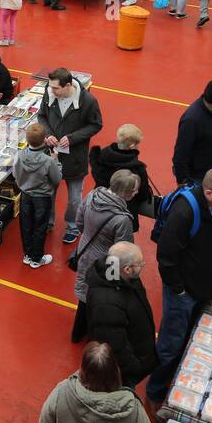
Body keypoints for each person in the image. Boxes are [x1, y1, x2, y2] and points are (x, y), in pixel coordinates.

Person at [145, 167, 212, 412]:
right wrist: (179, 290)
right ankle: (155, 390)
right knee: (171, 343)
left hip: (203, 284)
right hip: (184, 292)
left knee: (190, 334)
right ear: (209, 193)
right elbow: (166, 257)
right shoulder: (184, 213)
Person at [37, 67, 103, 244]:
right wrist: (48, 134)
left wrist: (72, 138)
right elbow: (42, 116)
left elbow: (96, 125)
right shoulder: (49, 93)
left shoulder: (87, 101)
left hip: (75, 157)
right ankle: (48, 222)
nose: (51, 90)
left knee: (74, 198)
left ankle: (72, 226)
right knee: (48, 193)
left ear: (67, 86)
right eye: (50, 87)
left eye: (56, 88)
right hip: (52, 155)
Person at [71, 169, 139, 343]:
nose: (136, 192)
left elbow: (79, 221)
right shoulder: (122, 219)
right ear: (126, 193)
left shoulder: (92, 196)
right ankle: (95, 338)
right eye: (134, 190)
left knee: (85, 292)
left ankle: (77, 332)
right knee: (104, 299)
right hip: (107, 264)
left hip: (85, 252)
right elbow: (122, 251)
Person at [85, 241, 157, 388]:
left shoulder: (126, 279)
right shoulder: (107, 305)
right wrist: (137, 368)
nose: (142, 265)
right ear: (127, 269)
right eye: (140, 264)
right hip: (125, 374)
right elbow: (116, 350)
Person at [13, 123, 61, 269]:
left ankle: (28, 254)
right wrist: (56, 160)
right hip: (42, 198)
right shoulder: (48, 161)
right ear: (44, 140)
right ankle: (37, 258)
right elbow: (57, 179)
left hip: (25, 195)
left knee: (26, 225)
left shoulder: (19, 155)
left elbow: (15, 174)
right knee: (40, 227)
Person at [89, 123, 152, 231]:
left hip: (101, 203)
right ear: (132, 146)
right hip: (125, 209)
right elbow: (143, 193)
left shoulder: (101, 156)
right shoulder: (136, 168)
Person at [172, 77, 212, 186]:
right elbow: (181, 154)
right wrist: (183, 181)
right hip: (195, 176)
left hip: (211, 169)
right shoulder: (192, 120)